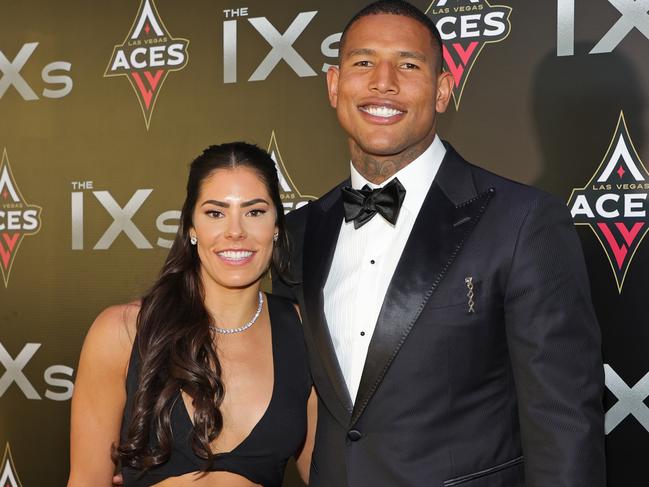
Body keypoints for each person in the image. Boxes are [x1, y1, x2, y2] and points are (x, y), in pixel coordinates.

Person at [272, 1, 606, 486]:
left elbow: (563, 424)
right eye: (362, 62)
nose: (382, 81)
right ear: (333, 86)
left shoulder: (522, 222)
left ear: (443, 90)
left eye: (408, 65)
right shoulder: (300, 233)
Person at [68, 142, 316, 487]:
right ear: (191, 227)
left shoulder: (304, 330)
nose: (235, 232)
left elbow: (322, 474)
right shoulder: (122, 332)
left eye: (254, 212)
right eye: (215, 213)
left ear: (276, 225)